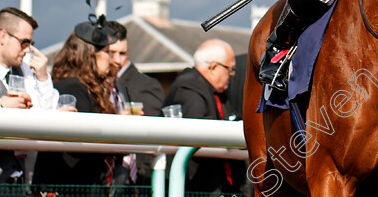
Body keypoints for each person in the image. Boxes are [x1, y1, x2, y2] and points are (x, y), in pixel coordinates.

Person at [32, 15, 119, 189]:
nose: (113, 59)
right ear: (90, 54)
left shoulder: (85, 87)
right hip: (67, 186)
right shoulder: (73, 87)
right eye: (108, 52)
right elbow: (85, 140)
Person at [0, 7, 57, 185]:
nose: (28, 50)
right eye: (24, 42)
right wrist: (2, 107)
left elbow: (48, 117)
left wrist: (43, 77)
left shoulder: (25, 72)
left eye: (30, 43)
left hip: (21, 181)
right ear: (3, 36)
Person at [163, 39, 240, 194]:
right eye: (229, 69)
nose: (232, 74)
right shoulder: (189, 86)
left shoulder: (216, 92)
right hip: (196, 186)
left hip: (216, 184)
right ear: (213, 67)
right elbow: (197, 126)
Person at [106, 20, 164, 186]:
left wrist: (141, 173)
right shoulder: (100, 83)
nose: (117, 60)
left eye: (123, 53)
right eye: (111, 53)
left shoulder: (146, 85)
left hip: (135, 178)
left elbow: (152, 131)